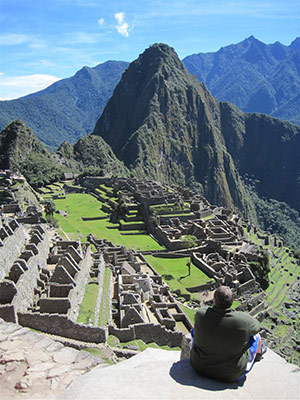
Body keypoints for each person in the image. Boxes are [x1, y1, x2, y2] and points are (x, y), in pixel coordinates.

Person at [190, 286, 266, 382]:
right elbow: (257, 328)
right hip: (231, 374)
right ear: (232, 301)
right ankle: (258, 355)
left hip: (199, 367)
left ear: (214, 300)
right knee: (257, 336)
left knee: (194, 330)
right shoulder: (244, 321)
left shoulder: (200, 314)